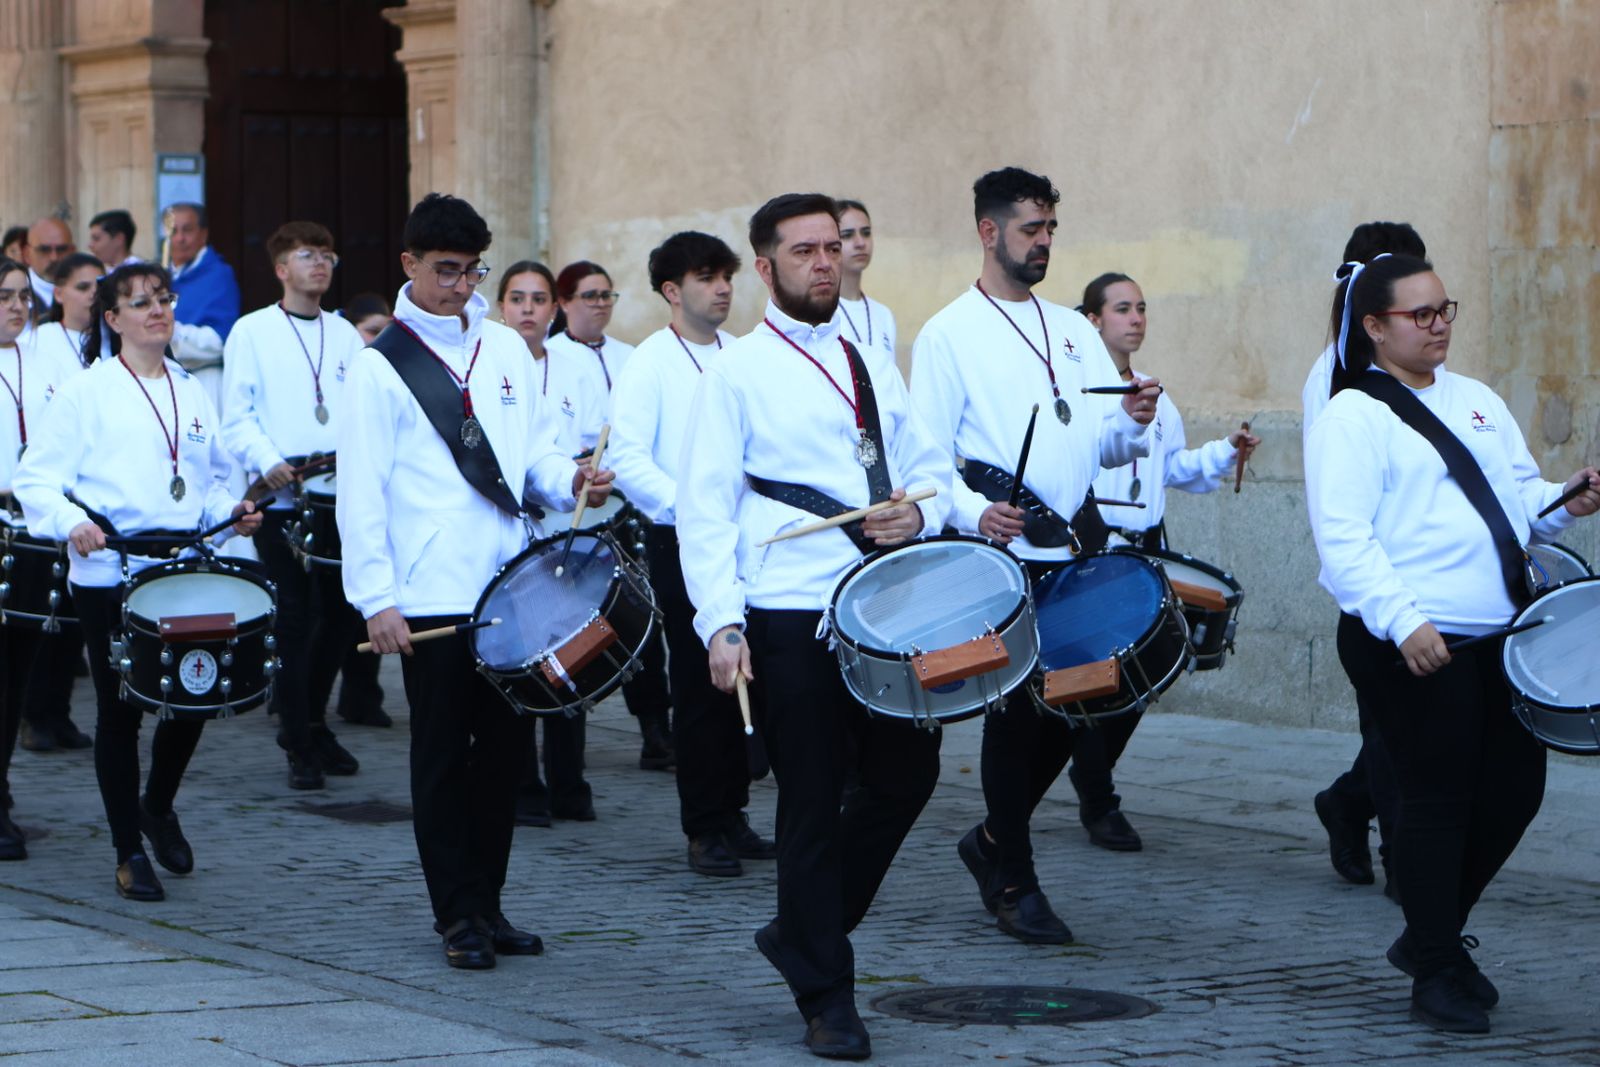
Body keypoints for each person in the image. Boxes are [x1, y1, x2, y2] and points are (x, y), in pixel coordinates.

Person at [678, 193, 952, 1059]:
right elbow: (705, 508)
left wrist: (920, 513)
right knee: (809, 792)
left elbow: (925, 463)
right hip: (789, 607)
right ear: (765, 268)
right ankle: (829, 994)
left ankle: (803, 927)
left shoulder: (872, 356)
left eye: (833, 248)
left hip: (883, 599)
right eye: (804, 252)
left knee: (909, 772)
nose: (825, 263)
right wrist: (722, 623)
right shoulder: (735, 372)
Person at [1306, 252, 1599, 1033]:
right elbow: (1343, 540)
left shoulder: (1477, 399)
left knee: (1515, 791)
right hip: (1411, 640)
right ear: (1374, 326)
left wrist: (1568, 499)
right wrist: (1405, 621)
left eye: (1446, 310)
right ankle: (1436, 966)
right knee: (1436, 802)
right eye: (1421, 314)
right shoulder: (1353, 416)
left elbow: (1518, 500)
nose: (1440, 325)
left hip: (1498, 636)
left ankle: (1428, 936)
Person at [338, 193, 613, 970]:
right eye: (445, 271)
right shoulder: (378, 366)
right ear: (409, 266)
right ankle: (453, 913)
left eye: (471, 271)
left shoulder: (503, 349)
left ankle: (488, 903)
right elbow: (361, 491)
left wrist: (573, 479)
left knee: (502, 756)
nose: (460, 287)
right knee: (440, 758)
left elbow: (534, 452)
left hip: (508, 586)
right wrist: (376, 599)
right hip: (428, 594)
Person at [910, 167, 1159, 946]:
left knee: (1077, 704)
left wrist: (1134, 419)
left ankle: (989, 841)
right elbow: (926, 455)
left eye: (1051, 228)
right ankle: (1013, 874)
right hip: (1004, 552)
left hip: (1077, 545)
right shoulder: (949, 332)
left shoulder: (1074, 329)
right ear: (989, 232)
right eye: (1030, 229)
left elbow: (1098, 441)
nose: (1044, 242)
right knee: (1017, 718)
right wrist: (967, 509)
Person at [13, 262, 263, 899]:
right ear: (113, 319)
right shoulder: (85, 392)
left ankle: (156, 802)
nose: (158, 310)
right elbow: (34, 480)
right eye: (142, 302)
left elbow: (206, 482)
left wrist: (229, 515)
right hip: (110, 569)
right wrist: (73, 523)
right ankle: (129, 849)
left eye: (164, 299)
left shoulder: (191, 386)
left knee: (194, 695)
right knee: (120, 710)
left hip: (181, 567)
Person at [1066, 272, 1259, 851]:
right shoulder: (1076, 391)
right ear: (1093, 320)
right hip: (1091, 546)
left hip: (1147, 543)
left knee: (1146, 671)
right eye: (1123, 309)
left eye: (1142, 308)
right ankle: (1094, 796)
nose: (1137, 319)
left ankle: (1091, 778)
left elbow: (1173, 468)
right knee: (1090, 679)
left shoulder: (1157, 395)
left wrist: (1226, 450)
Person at [610, 231, 776, 878]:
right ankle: (703, 824)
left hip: (748, 539)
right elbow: (629, 458)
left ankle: (734, 811)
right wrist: (694, 507)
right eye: (708, 277)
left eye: (728, 276)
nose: (724, 288)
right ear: (673, 291)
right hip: (682, 537)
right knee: (701, 681)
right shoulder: (650, 362)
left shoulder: (744, 355)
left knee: (749, 676)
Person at [220, 221, 367, 790]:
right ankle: (298, 739)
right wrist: (266, 459)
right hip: (284, 498)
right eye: (308, 255)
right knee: (296, 616)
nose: (321, 263)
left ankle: (312, 718)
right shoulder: (252, 332)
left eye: (328, 254)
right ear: (282, 268)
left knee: (339, 615)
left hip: (337, 493)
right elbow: (237, 416)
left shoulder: (348, 335)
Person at [1306, 221, 1426, 900]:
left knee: (1402, 724)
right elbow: (1342, 504)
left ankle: (1353, 804)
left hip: (1429, 577)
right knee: (1391, 723)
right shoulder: (1336, 377)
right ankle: (1398, 847)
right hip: (1374, 579)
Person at [547, 260, 674, 770]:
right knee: (579, 624)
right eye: (589, 295)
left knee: (643, 618)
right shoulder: (551, 358)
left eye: (607, 295)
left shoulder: (633, 356)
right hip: (581, 503)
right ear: (565, 303)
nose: (600, 303)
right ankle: (565, 749)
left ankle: (655, 730)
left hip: (633, 507)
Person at [496, 260, 606, 825]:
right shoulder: (489, 362)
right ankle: (523, 784)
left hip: (568, 528)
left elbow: (594, 439)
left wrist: (586, 470)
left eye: (539, 299)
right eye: (517, 299)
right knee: (519, 656)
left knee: (572, 655)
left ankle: (570, 780)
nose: (529, 310)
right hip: (514, 532)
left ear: (554, 308)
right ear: (501, 307)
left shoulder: (577, 366)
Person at [0, 256, 83, 858]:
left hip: (33, 534)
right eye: (4, 296)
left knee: (14, 674)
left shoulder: (49, 356)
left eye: (23, 296)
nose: (17, 307)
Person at [13, 252, 103, 755]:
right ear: (61, 292)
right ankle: (33, 715)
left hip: (81, 495)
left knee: (72, 617)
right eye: (83, 285)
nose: (93, 294)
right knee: (40, 617)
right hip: (38, 497)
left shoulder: (104, 346)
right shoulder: (42, 342)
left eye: (99, 286)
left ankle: (59, 711)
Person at [162, 203, 241, 402]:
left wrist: (171, 332)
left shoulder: (219, 275)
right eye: (173, 231)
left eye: (187, 230)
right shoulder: (161, 276)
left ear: (203, 234)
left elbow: (221, 342)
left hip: (204, 382)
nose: (179, 238)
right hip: (164, 382)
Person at [835, 200, 897, 358]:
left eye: (866, 233)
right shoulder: (821, 315)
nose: (860, 243)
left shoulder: (883, 314)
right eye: (847, 235)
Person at [24, 219, 75, 313]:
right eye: (44, 250)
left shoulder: (90, 292)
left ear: (73, 251)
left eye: (61, 249)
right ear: (27, 254)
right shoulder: (13, 292)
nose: (54, 258)